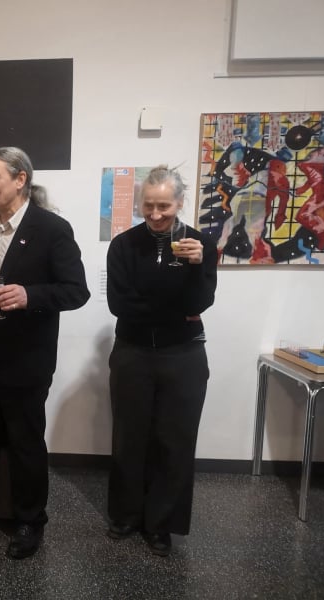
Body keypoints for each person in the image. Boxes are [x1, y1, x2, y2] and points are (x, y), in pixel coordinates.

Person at [0, 147, 90, 560]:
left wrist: (30, 295)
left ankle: (29, 521)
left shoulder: (52, 229)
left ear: (20, 180)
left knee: (24, 442)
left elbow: (76, 291)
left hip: (25, 359)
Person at [106, 165, 217, 557]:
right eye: (148, 206)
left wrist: (196, 268)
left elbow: (200, 302)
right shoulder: (123, 245)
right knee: (129, 437)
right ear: (140, 203)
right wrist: (175, 310)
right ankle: (125, 515)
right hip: (132, 352)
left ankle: (161, 523)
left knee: (175, 441)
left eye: (164, 207)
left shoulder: (200, 244)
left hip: (184, 355)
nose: (155, 215)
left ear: (180, 203)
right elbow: (119, 304)